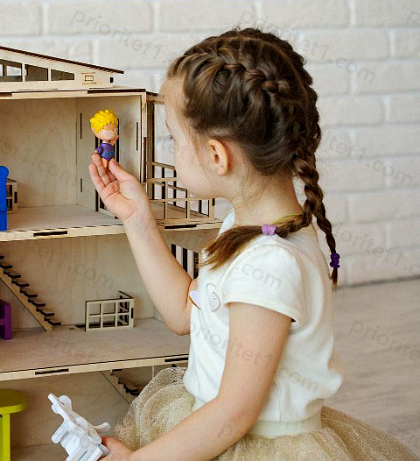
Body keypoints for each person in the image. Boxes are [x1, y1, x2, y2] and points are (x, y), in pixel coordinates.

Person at [88, 27, 418, 460]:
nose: (172, 150)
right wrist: (137, 218)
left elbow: (232, 415)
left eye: (174, 139)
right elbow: (185, 313)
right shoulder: (250, 229)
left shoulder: (269, 264)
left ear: (216, 156)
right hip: (217, 427)